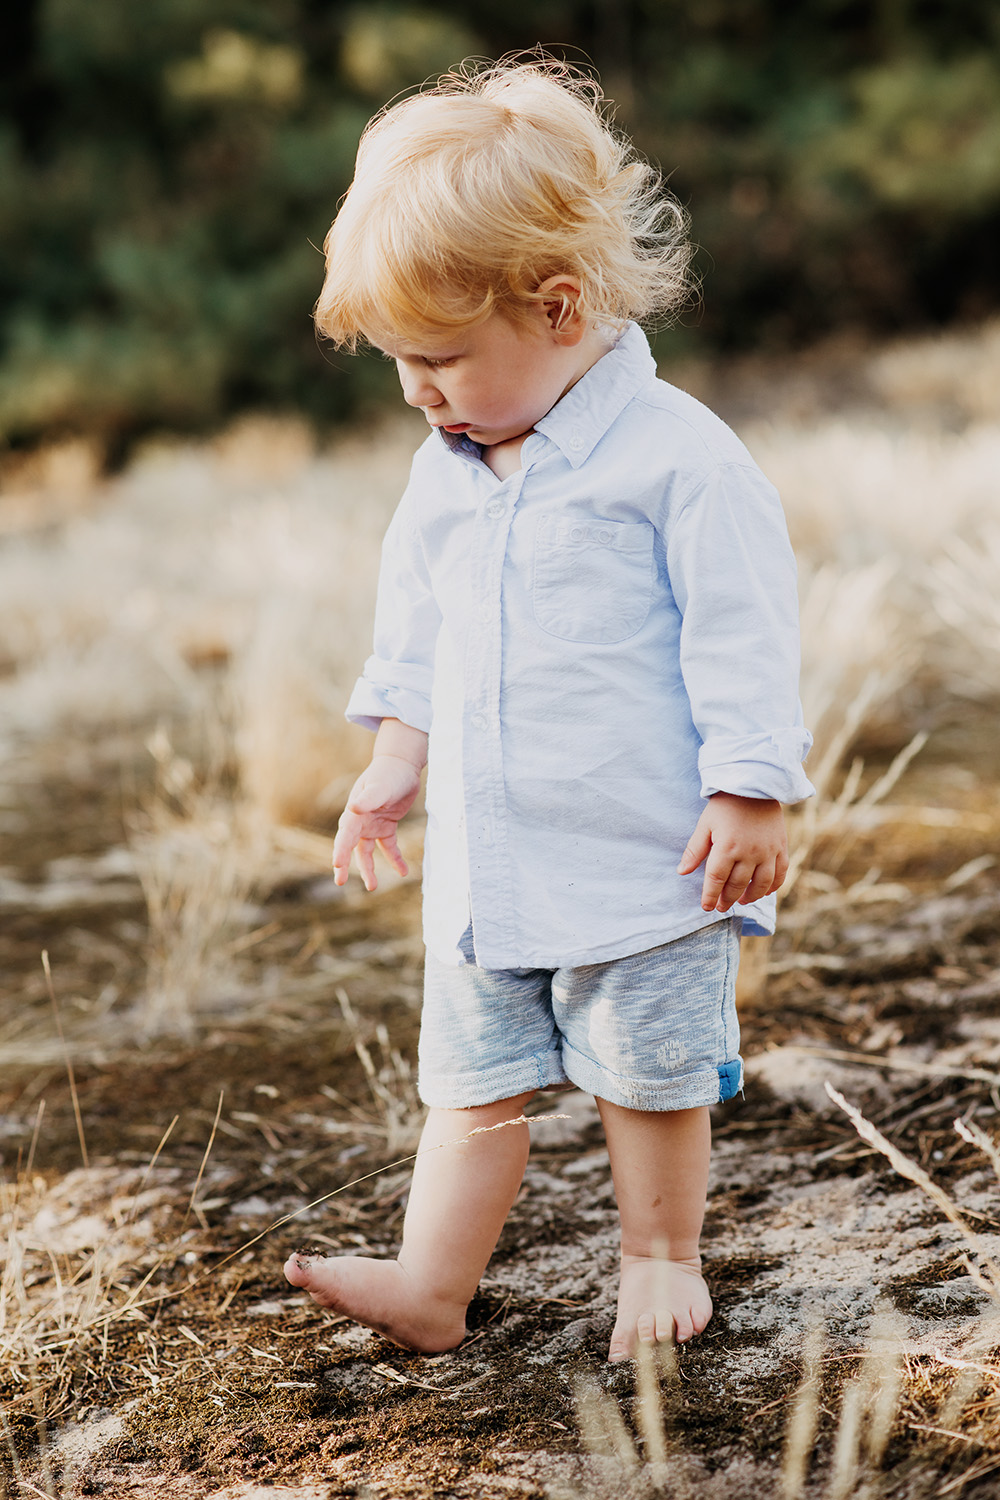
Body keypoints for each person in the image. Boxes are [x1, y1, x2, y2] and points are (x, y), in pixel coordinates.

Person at [284, 56, 814, 1364]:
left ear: (560, 306)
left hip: (645, 859)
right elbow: (421, 621)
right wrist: (392, 757)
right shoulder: (447, 469)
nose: (418, 390)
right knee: (468, 1086)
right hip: (490, 866)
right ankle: (430, 1283)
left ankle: (657, 1256)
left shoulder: (678, 460)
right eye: (401, 363)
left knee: (650, 1075)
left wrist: (751, 784)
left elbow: (745, 626)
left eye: (442, 358)